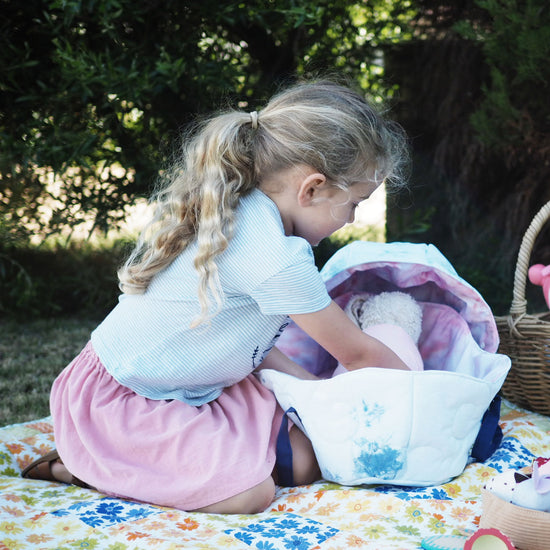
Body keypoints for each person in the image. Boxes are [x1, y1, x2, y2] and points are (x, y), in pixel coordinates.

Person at [21, 79, 410, 514]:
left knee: (305, 461)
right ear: (312, 189)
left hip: (199, 385)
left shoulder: (252, 208)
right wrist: (425, 395)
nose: (354, 218)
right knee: (250, 494)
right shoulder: (273, 256)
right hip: (126, 403)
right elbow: (357, 353)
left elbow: (245, 343)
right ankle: (90, 467)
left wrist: (311, 388)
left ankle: (146, 465)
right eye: (355, 202)